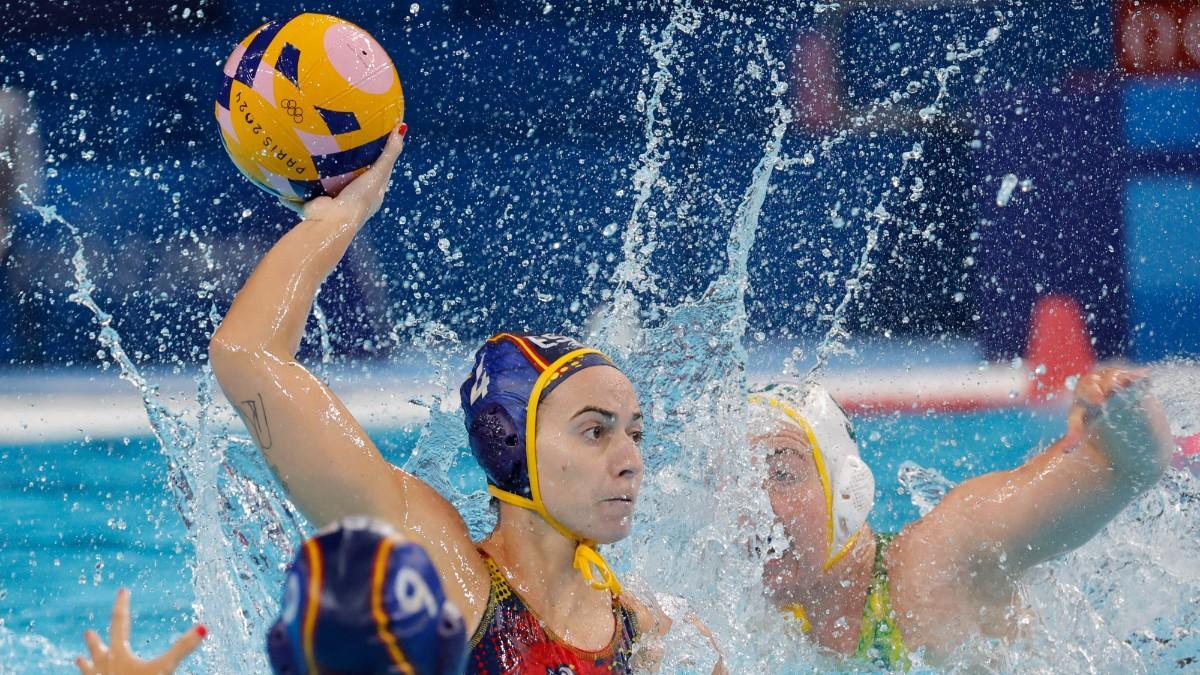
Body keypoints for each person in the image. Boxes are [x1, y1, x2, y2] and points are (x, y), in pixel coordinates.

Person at [209, 124, 695, 673]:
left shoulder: (651, 633)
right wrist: (337, 219)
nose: (631, 462)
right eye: (595, 430)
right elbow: (247, 354)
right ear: (510, 443)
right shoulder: (439, 574)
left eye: (635, 433)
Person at [749, 367, 1175, 669]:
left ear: (846, 490)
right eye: (740, 480)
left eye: (782, 475)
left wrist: (1123, 415)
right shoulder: (755, 623)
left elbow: (1125, 468)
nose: (754, 505)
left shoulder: (936, 564)